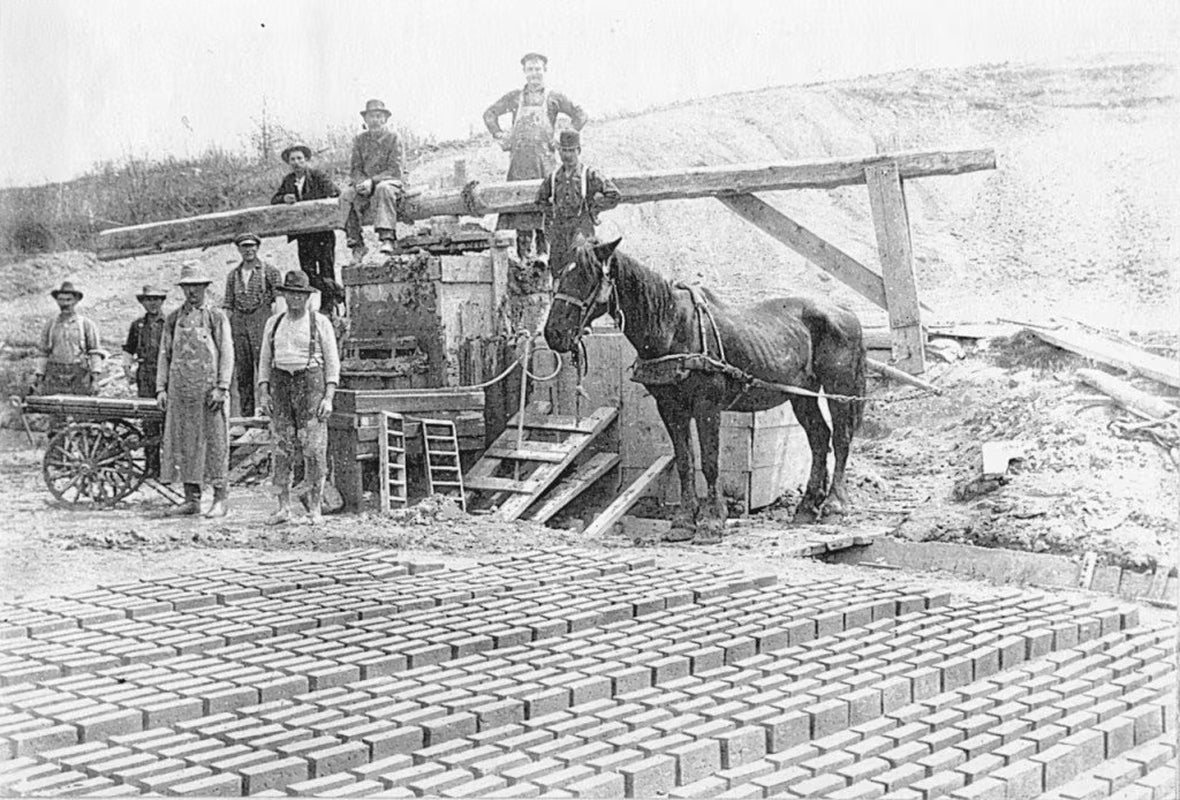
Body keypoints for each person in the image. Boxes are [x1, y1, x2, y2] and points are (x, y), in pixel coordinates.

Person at [484, 52, 588, 263]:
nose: (534, 74)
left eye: (538, 69)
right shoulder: (514, 98)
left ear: (545, 70)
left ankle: (545, 260)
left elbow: (581, 115)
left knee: (546, 211)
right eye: (530, 69)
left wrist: (563, 137)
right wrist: (499, 136)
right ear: (524, 72)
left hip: (545, 165)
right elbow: (489, 114)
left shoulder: (554, 98)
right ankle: (524, 262)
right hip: (519, 165)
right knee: (521, 212)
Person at [257, 270, 340, 525]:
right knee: (281, 446)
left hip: (311, 385)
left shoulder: (320, 323)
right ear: (284, 295)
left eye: (300, 295)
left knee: (313, 447)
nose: (295, 300)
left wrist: (328, 397)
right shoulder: (274, 322)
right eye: (291, 294)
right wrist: (264, 391)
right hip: (281, 385)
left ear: (307, 297)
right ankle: (283, 508)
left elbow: (332, 362)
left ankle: (315, 509)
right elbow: (264, 360)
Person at [157, 262, 234, 518]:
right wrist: (161, 388)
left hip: (209, 392)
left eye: (196, 286)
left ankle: (220, 499)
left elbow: (227, 353)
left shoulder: (216, 316)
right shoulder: (173, 318)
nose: (192, 292)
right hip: (181, 392)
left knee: (215, 444)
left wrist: (222, 387)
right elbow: (164, 355)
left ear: (204, 287)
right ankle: (192, 499)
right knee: (185, 444)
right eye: (188, 286)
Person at [535, 129, 621, 278]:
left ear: (578, 150)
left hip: (581, 230)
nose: (567, 155)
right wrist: (551, 215)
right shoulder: (554, 177)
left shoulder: (589, 174)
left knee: (582, 269)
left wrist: (594, 209)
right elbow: (539, 200)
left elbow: (614, 195)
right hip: (559, 232)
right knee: (557, 272)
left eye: (571, 150)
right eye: (563, 150)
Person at [271, 144, 344, 317]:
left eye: (299, 159)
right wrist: (284, 198)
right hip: (303, 235)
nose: (296, 162)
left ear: (306, 160)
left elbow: (335, 192)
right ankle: (338, 292)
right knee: (308, 274)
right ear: (289, 163)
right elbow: (274, 200)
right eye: (292, 159)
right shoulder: (289, 180)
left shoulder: (317, 176)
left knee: (327, 269)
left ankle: (328, 307)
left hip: (322, 233)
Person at [222, 232, 282, 417]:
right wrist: (226, 332)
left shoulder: (270, 271)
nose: (248, 250)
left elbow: (279, 300)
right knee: (243, 372)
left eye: (251, 246)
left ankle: (271, 413)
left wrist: (277, 327)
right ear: (239, 249)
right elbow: (228, 304)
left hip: (261, 322)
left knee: (266, 369)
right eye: (244, 247)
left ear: (257, 247)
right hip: (240, 324)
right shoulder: (233, 275)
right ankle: (246, 417)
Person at [32, 281, 105, 430]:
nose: (64, 304)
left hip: (79, 374)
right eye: (61, 300)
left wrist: (95, 379)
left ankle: (81, 451)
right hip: (55, 375)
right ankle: (57, 452)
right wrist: (39, 379)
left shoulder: (85, 324)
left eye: (68, 300)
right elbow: (43, 353)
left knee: (82, 417)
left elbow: (95, 352)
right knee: (56, 418)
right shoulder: (51, 324)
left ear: (76, 301)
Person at [339, 99, 405, 264]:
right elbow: (355, 168)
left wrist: (372, 182)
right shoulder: (360, 140)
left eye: (378, 116)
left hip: (390, 181)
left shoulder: (393, 138)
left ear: (384, 119)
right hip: (367, 184)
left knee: (383, 189)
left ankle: (387, 237)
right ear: (365, 120)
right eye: (371, 117)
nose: (374, 120)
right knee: (346, 195)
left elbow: (395, 170)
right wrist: (361, 183)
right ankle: (356, 243)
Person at [122, 285, 168, 478]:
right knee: (149, 422)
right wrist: (127, 368)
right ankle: (152, 467)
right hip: (145, 376)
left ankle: (170, 469)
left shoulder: (169, 323)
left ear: (162, 301)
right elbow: (128, 349)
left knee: (168, 422)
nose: (153, 303)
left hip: (166, 377)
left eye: (156, 299)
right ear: (143, 302)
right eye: (149, 300)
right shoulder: (137, 325)